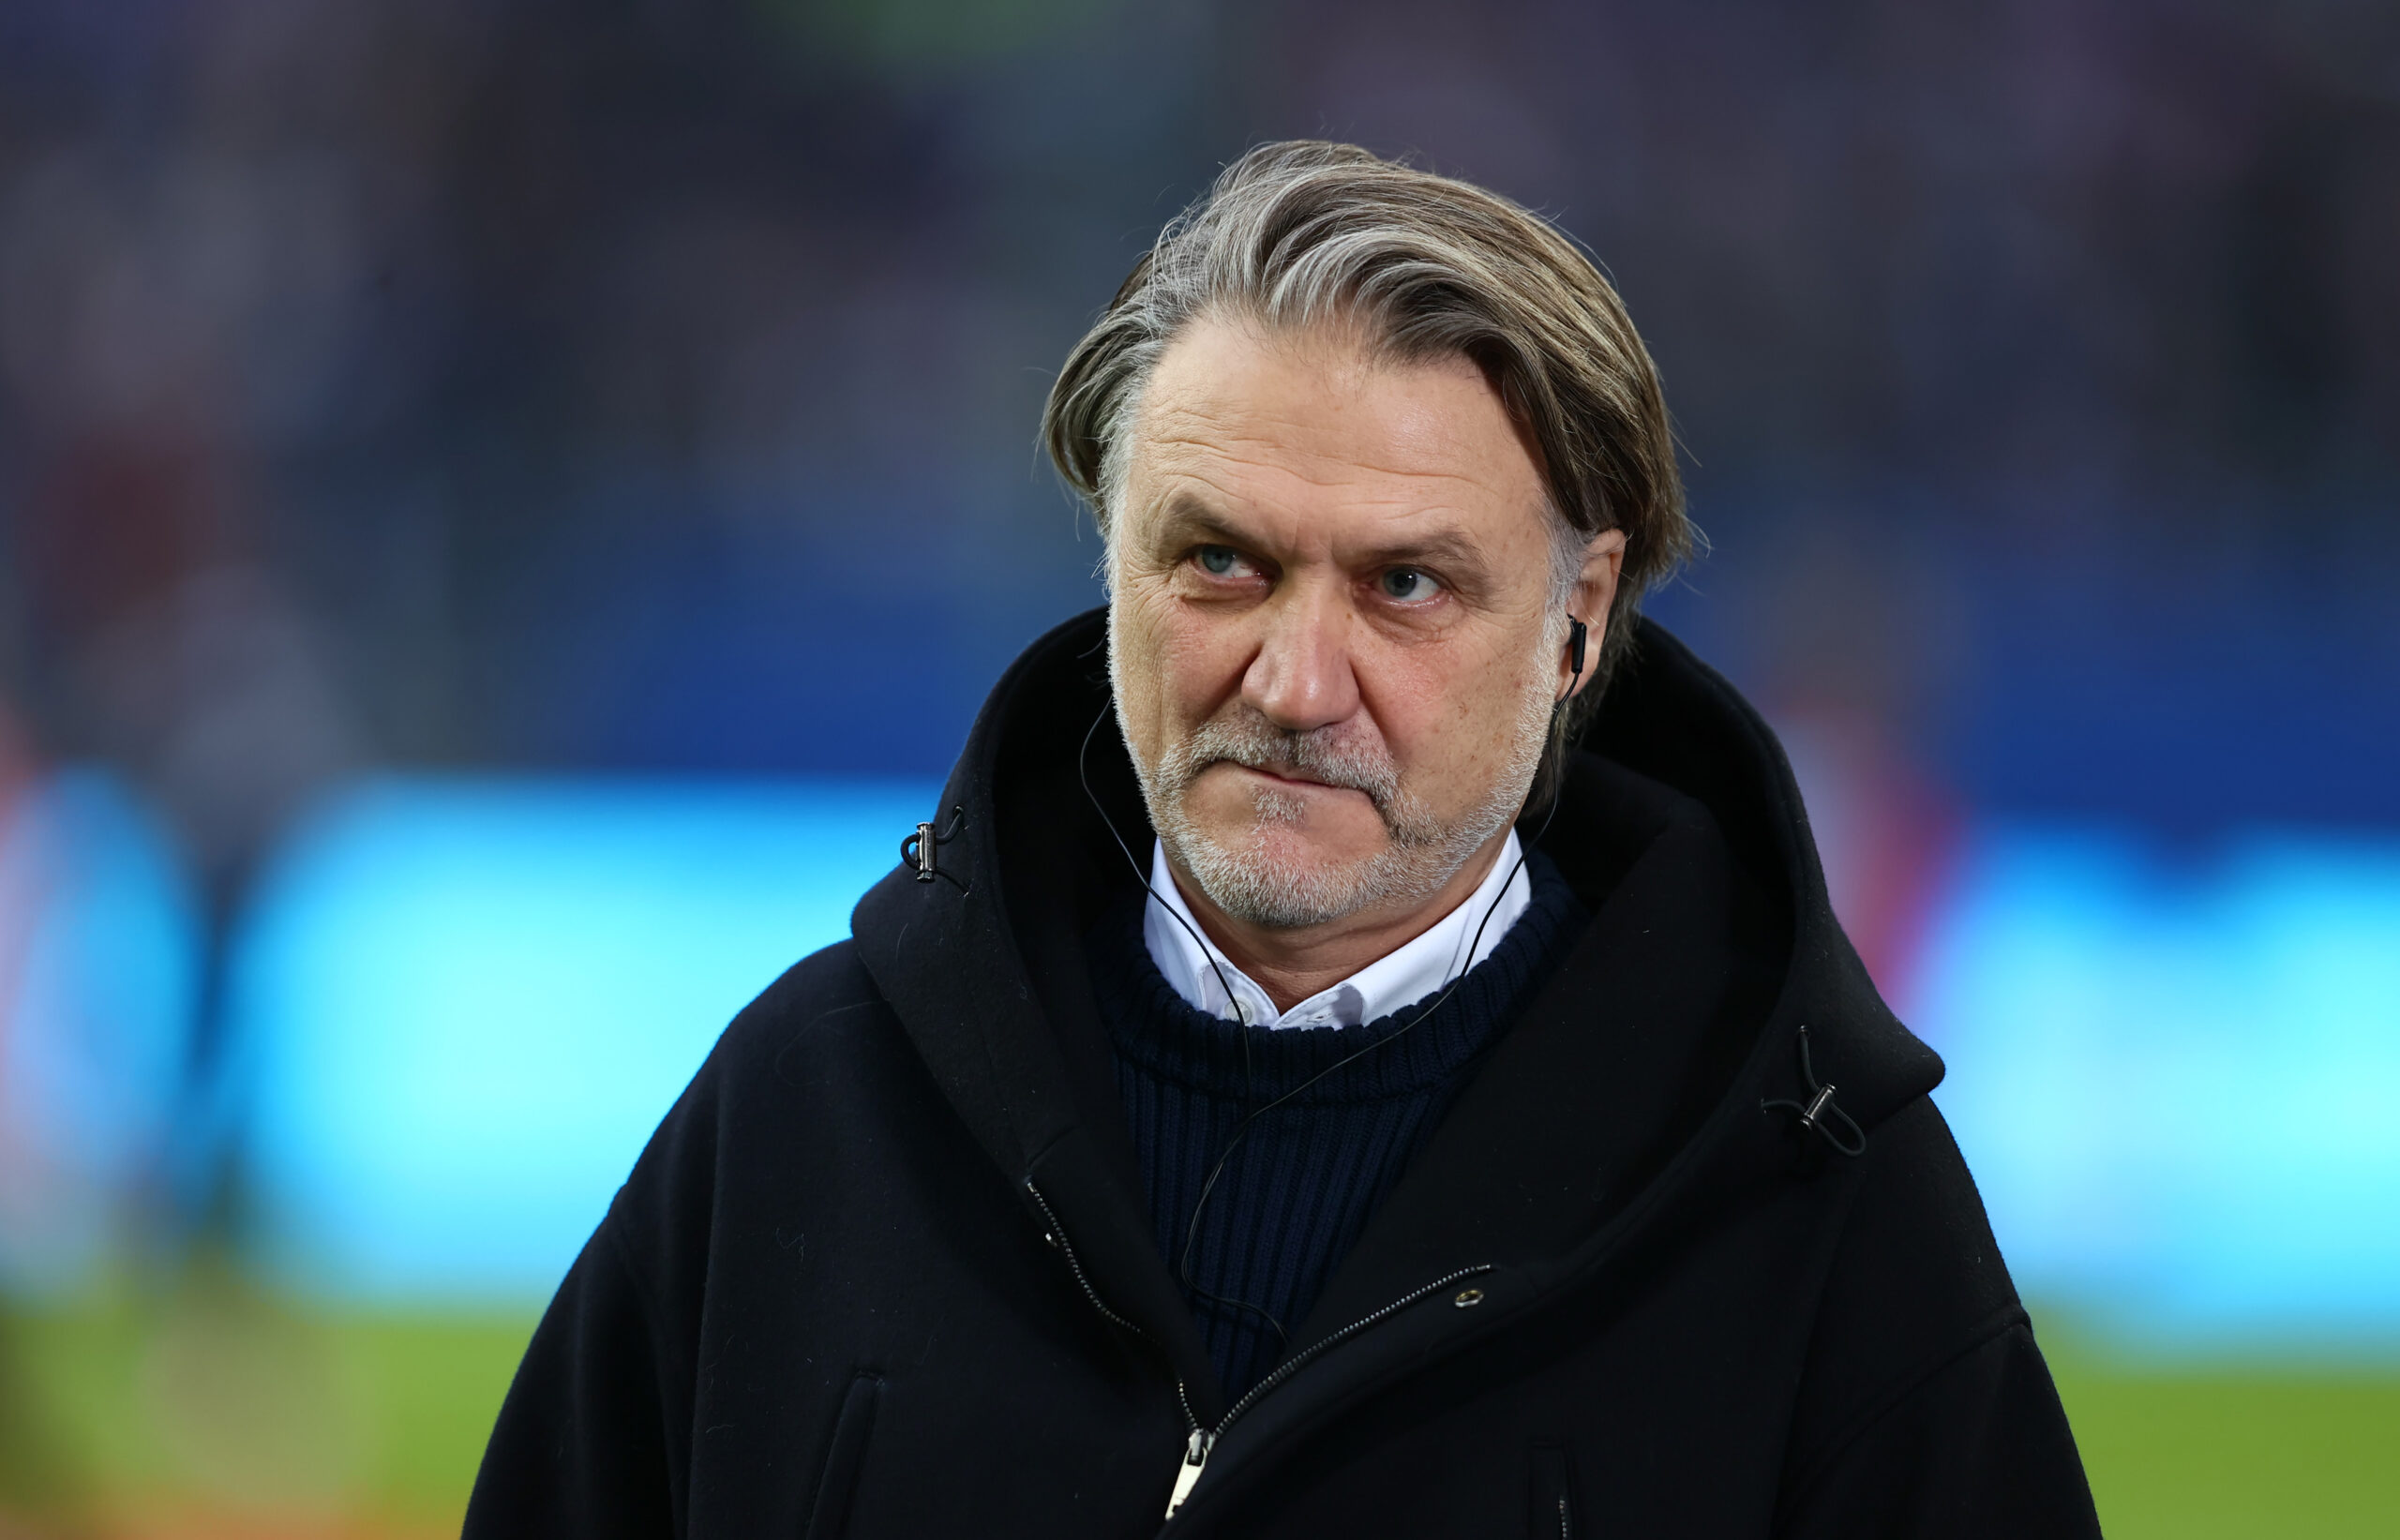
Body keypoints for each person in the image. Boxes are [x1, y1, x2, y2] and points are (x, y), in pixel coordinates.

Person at [464, 142, 2100, 1538]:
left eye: (1407, 585)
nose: (1297, 683)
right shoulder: (806, 1110)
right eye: (1221, 563)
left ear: (1581, 619)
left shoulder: (1822, 1213)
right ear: (1112, 566)